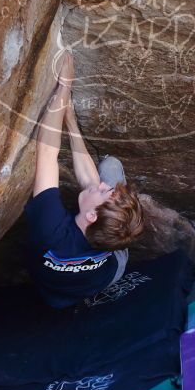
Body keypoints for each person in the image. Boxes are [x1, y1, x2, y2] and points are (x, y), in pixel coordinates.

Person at [23, 49, 144, 308]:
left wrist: (64, 87)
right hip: (101, 277)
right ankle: (117, 217)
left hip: (64, 283)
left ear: (91, 217)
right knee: (109, 170)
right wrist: (71, 122)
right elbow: (90, 184)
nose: (101, 185)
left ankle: (115, 212)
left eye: (103, 191)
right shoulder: (103, 233)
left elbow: (46, 152)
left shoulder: (51, 228)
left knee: (110, 172)